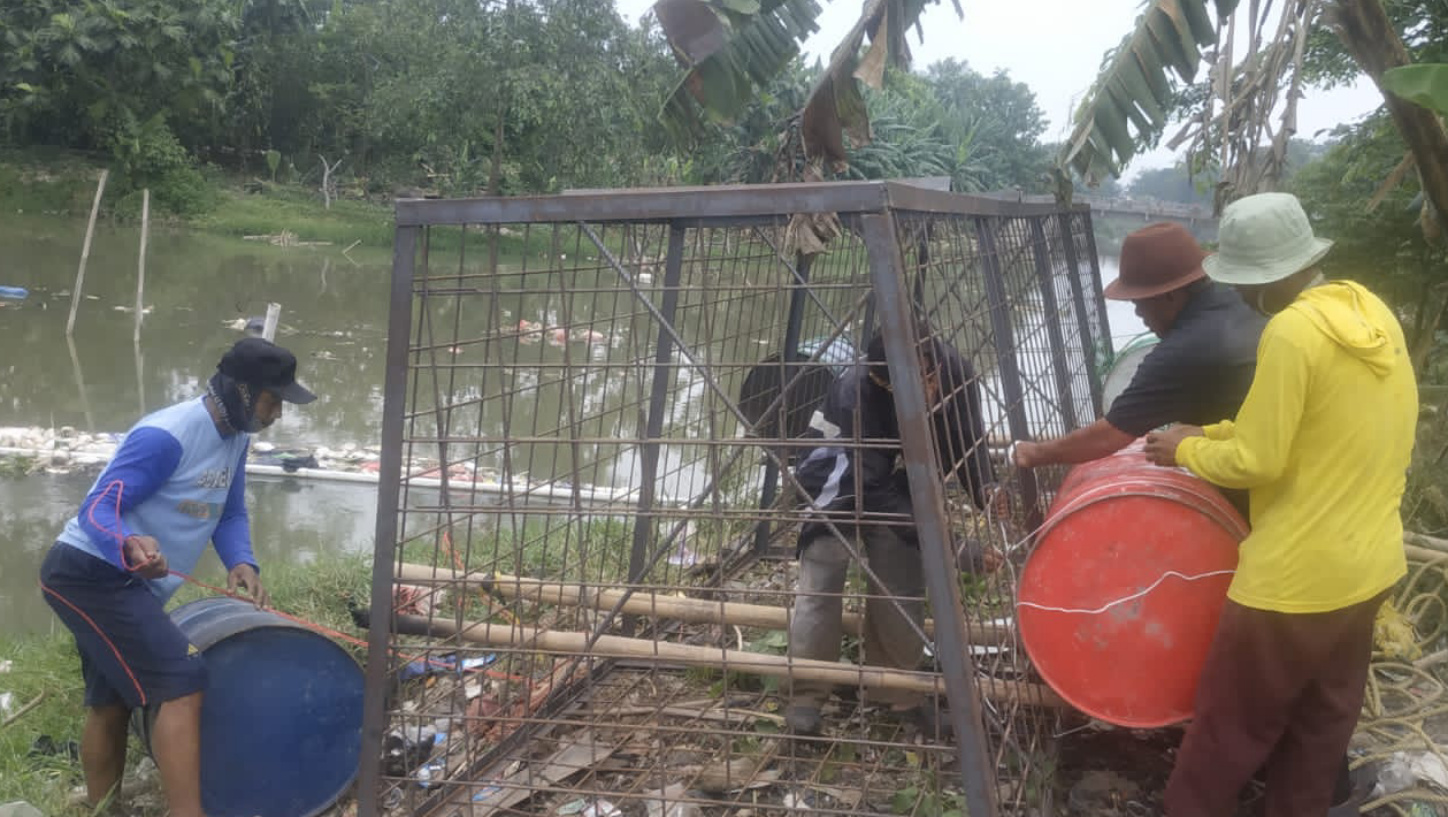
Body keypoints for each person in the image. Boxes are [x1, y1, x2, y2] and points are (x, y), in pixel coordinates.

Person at [1143, 192, 1416, 817]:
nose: (1240, 296)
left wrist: (1183, 454)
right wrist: (1203, 433)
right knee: (1319, 732)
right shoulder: (1368, 309)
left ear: (1271, 277)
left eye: (1244, 283)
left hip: (1293, 584)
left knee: (1226, 734)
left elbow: (1257, 462)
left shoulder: (1291, 332)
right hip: (1368, 567)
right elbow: (1298, 429)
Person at [38, 338, 316, 816]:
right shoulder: (167, 436)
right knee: (181, 679)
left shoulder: (235, 440)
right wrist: (128, 543)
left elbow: (227, 512)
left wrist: (241, 561)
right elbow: (98, 509)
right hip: (89, 573)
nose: (277, 415)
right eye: (273, 401)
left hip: (123, 582)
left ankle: (102, 806)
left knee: (111, 700)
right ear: (242, 391)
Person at [784, 328, 1001, 737]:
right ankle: (807, 694)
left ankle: (897, 691)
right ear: (882, 381)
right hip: (839, 477)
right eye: (912, 385)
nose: (929, 390)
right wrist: (954, 548)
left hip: (891, 475)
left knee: (901, 574)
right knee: (823, 573)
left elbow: (966, 440)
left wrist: (986, 489)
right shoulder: (856, 394)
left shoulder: (957, 373)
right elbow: (871, 495)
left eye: (930, 378)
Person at [1014, 222, 1265, 516]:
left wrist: (1034, 453)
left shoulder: (1181, 351)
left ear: (1170, 296)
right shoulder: (1247, 303)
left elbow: (1109, 435)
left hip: (1256, 490)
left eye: (1139, 303)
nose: (1138, 313)